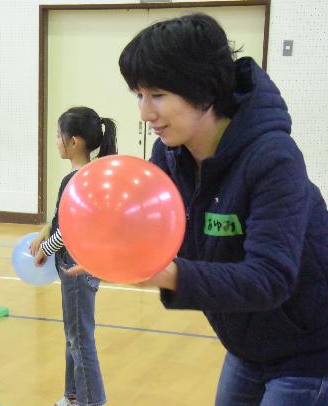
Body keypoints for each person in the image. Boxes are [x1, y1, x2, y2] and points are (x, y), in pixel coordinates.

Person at [117, 13, 328, 405]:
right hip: (246, 344)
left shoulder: (273, 158)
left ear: (203, 91)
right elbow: (145, 219)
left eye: (158, 94)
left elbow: (270, 278)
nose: (145, 113)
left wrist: (172, 274)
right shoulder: (170, 156)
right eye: (139, 95)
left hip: (310, 350)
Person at [31, 107, 117, 406]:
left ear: (75, 142)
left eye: (59, 136)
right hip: (83, 265)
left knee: (80, 338)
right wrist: (45, 230)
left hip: (76, 266)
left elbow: (69, 230)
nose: (56, 141)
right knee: (74, 334)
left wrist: (45, 249)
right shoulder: (89, 175)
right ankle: (73, 396)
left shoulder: (77, 180)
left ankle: (91, 401)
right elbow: (60, 218)